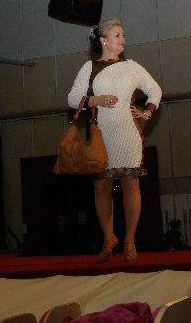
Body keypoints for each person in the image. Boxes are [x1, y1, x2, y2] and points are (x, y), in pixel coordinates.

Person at [67, 18, 162, 263]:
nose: (122, 39)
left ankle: (129, 240)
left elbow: (155, 90)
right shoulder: (89, 67)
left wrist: (147, 111)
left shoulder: (132, 66)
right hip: (101, 134)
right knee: (101, 187)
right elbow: (73, 98)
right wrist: (95, 100)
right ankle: (109, 238)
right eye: (117, 35)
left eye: (123, 35)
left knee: (131, 184)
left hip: (128, 133)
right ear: (103, 40)